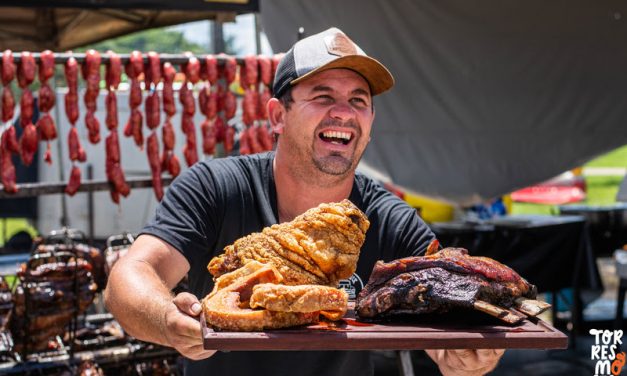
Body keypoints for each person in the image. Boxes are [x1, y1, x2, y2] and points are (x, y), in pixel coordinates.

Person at [104, 27, 505, 376]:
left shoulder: (385, 217)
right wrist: (167, 319)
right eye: (323, 95)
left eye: (359, 101)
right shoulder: (215, 187)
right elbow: (132, 275)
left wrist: (465, 357)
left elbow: (446, 309)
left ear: (370, 124)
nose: (344, 113)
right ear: (278, 116)